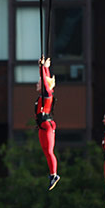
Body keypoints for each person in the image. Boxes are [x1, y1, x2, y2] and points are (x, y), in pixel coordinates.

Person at [35, 57, 59, 190]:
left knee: (49, 151)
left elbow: (45, 81)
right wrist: (45, 67)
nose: (37, 84)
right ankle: (52, 174)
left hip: (47, 126)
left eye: (39, 82)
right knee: (46, 151)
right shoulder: (45, 93)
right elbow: (46, 80)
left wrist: (42, 68)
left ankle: (54, 174)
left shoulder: (47, 93)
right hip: (42, 126)